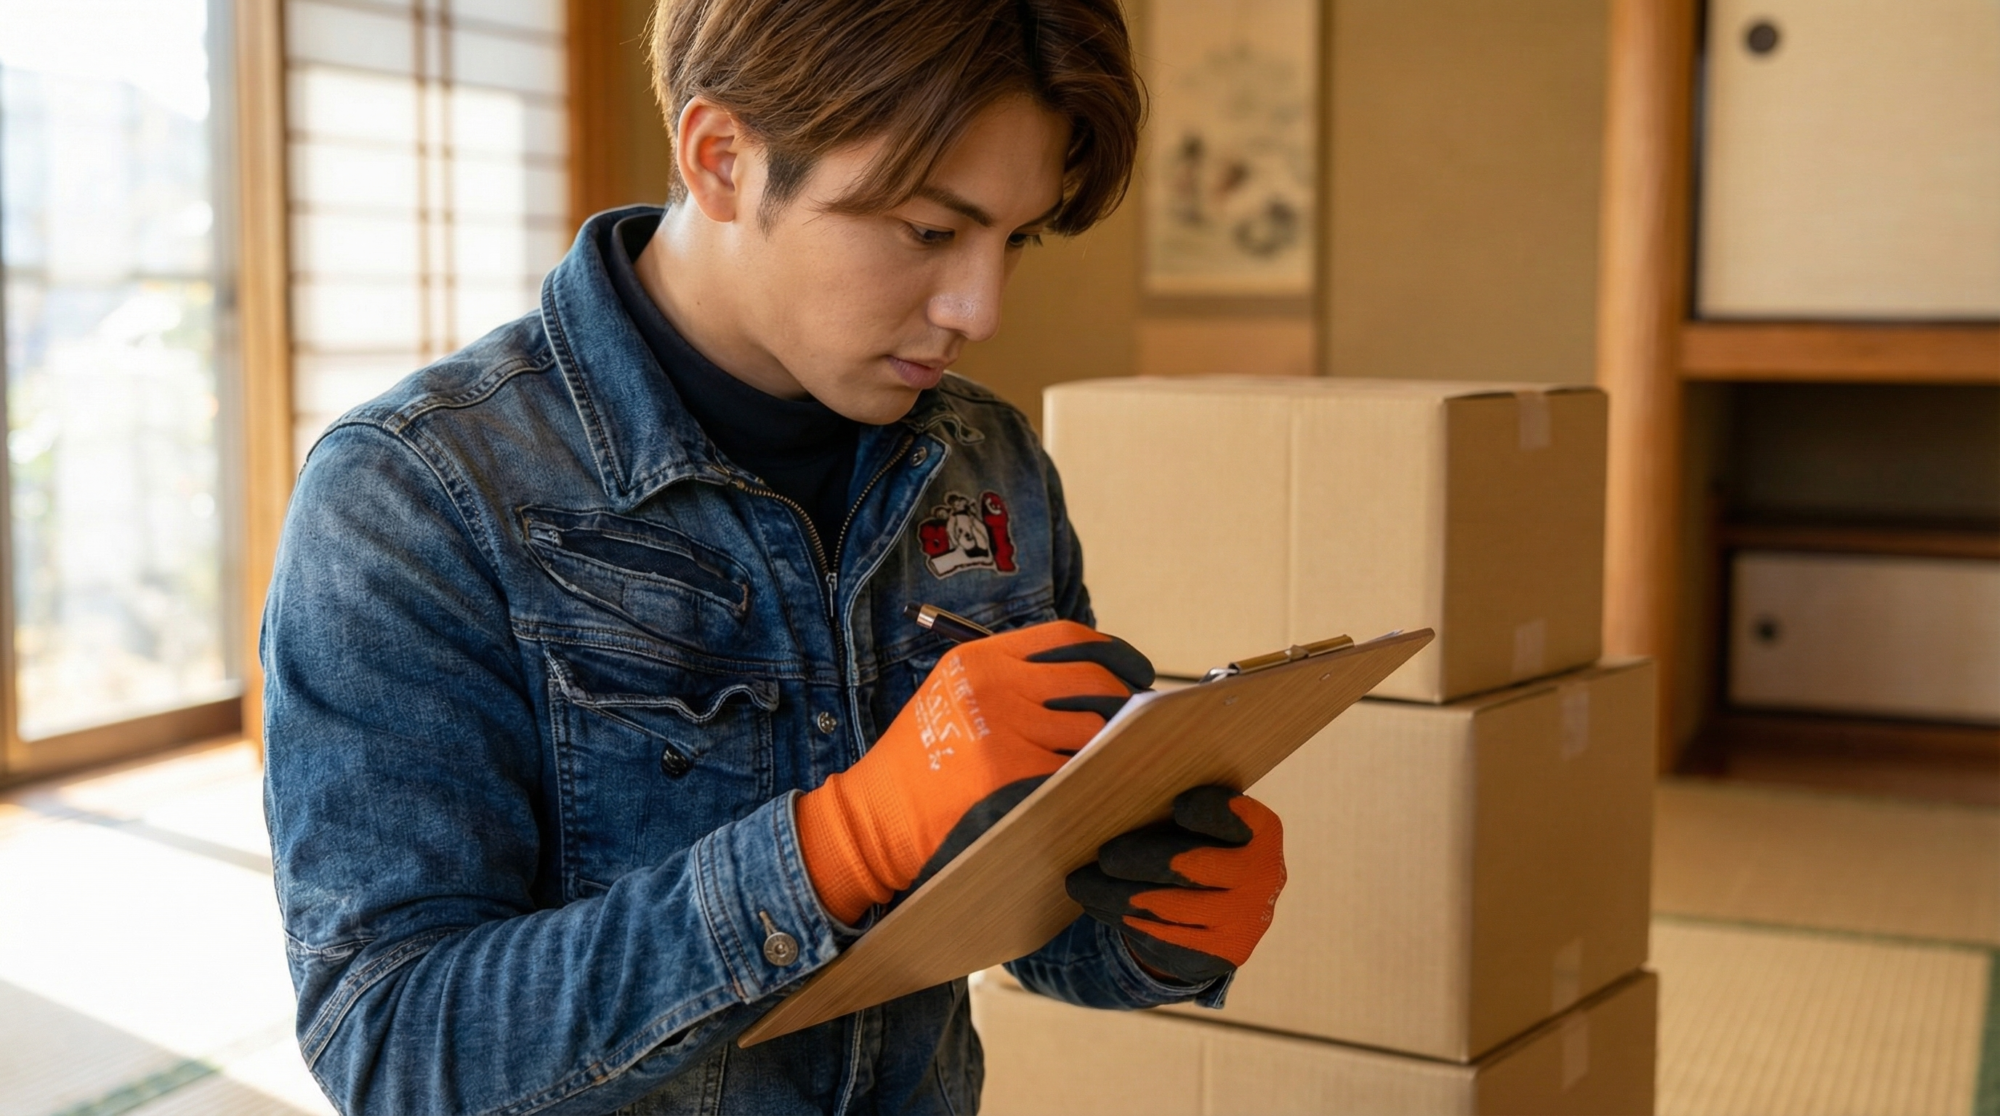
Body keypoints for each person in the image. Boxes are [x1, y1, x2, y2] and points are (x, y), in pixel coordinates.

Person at [261, 1, 1287, 1112]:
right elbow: (397, 1046)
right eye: (929, 231)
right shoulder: (415, 492)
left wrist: (1154, 923)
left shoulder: (983, 460)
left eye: (1015, 237)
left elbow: (1022, 924)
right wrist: (839, 845)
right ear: (722, 160)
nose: (977, 307)